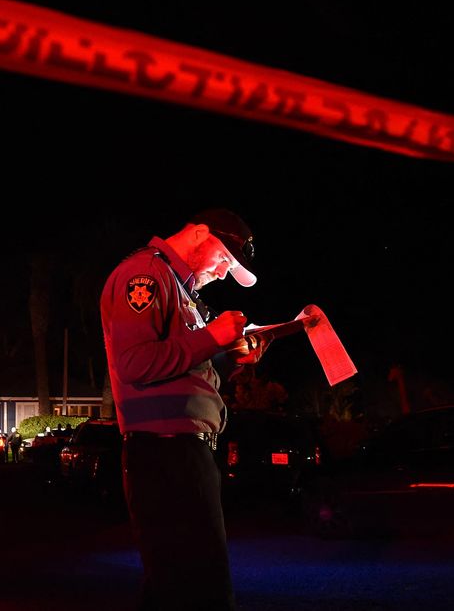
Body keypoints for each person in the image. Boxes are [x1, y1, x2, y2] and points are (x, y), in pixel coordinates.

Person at [100, 208, 268, 611]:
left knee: (180, 584)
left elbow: (183, 371)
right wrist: (211, 337)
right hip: (165, 452)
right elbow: (135, 364)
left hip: (179, 451)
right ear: (199, 233)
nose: (224, 274)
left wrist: (231, 357)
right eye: (224, 260)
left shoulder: (177, 287)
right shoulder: (144, 274)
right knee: (198, 585)